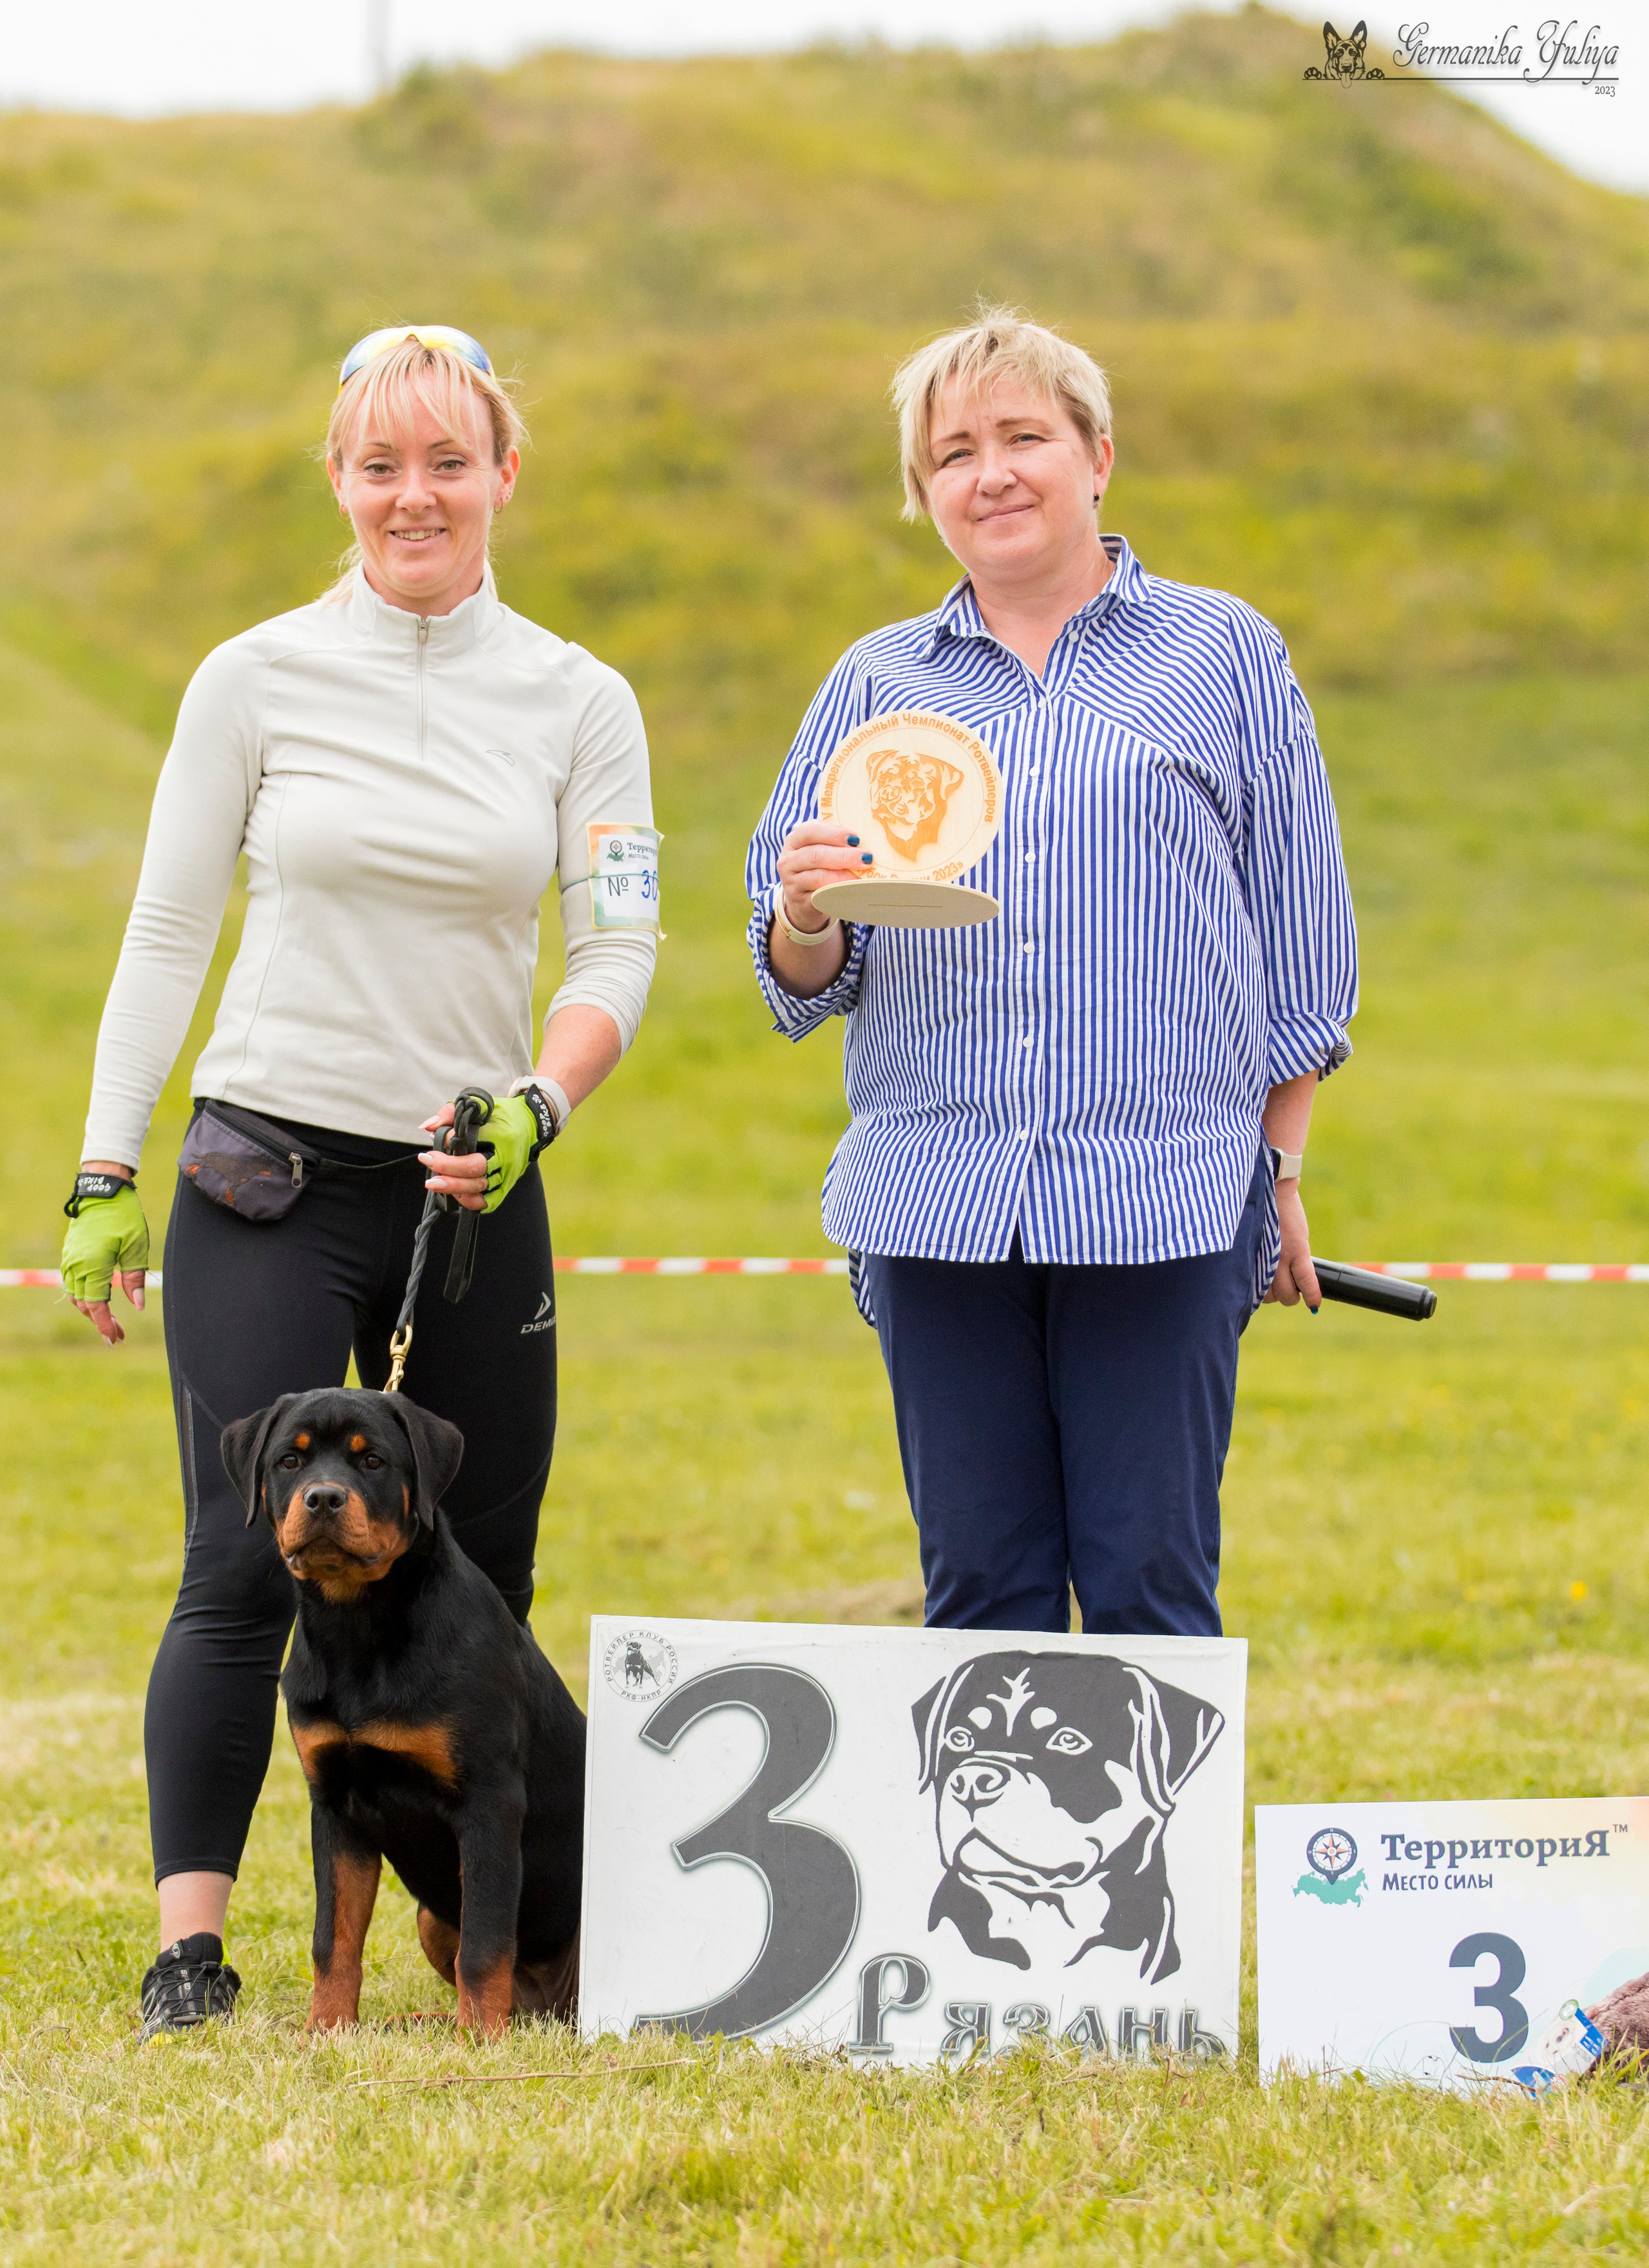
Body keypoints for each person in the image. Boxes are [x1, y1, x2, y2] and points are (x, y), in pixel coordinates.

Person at [59, 327, 658, 2036]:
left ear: (502, 476)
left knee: (483, 1570)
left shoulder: (582, 698)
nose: (415, 495)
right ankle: (190, 1952)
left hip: (473, 1183)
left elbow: (619, 946)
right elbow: (169, 928)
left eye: (448, 461)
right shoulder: (250, 677)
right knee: (241, 1561)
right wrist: (106, 1159)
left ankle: (484, 1943)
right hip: (266, 1168)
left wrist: (542, 1099)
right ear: (337, 478)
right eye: (380, 464)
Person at [747, 306, 1355, 1644]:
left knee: (1150, 1589)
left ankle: (1157, 1803)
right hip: (937, 1202)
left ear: (1097, 455)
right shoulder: (874, 682)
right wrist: (803, 908)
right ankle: (986, 1800)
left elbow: (1304, 951)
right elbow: (799, 975)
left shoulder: (1224, 655)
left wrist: (1282, 1176)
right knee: (980, 1596)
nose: (992, 474)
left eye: (1023, 437)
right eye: (953, 453)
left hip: (1163, 1200)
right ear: (925, 493)